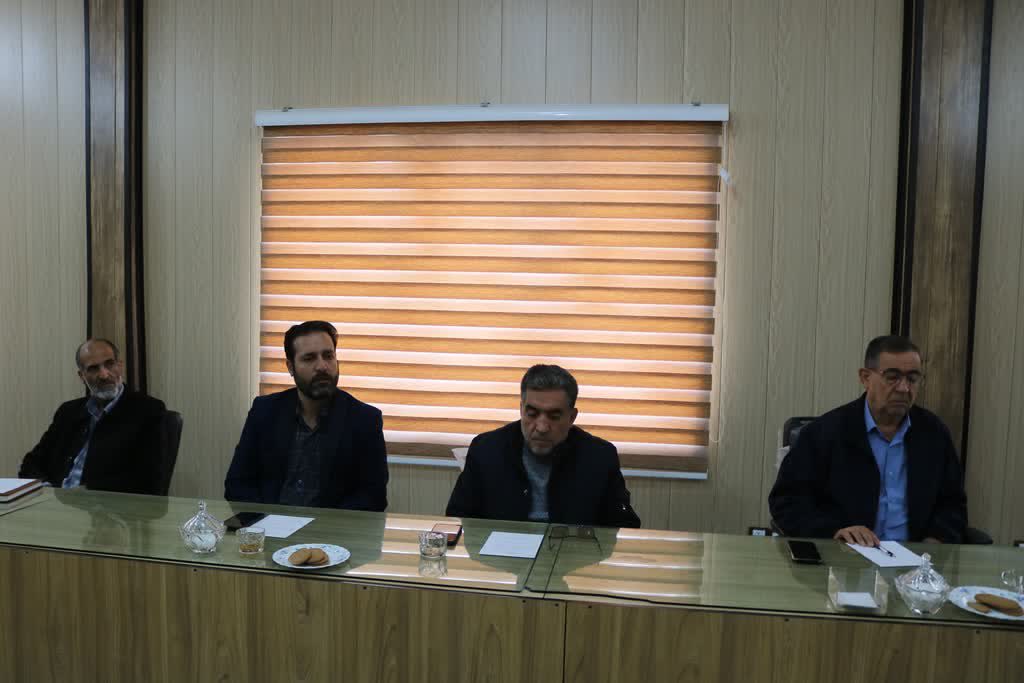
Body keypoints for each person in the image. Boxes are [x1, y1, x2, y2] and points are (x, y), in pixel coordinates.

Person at [768, 335, 967, 545]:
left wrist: (936, 539)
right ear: (865, 378)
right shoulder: (825, 433)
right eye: (892, 377)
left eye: (912, 378)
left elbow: (953, 505)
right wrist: (834, 531)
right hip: (846, 555)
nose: (904, 388)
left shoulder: (933, 433)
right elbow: (786, 502)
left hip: (916, 557)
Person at [446, 364, 641, 528]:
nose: (541, 427)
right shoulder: (486, 449)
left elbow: (623, 525)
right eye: (532, 414)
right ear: (521, 409)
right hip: (500, 556)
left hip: (573, 553)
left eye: (554, 416)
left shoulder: (600, 456)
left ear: (572, 417)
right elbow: (458, 517)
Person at [224, 320, 388, 510]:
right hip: (269, 524)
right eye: (309, 358)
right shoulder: (265, 411)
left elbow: (373, 497)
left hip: (330, 528)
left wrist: (323, 524)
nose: (322, 366)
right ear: (290, 367)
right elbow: (237, 484)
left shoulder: (364, 420)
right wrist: (266, 520)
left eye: (328, 356)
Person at [19, 339, 168, 494]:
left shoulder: (148, 410)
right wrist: (46, 490)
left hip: (105, 505)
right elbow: (31, 463)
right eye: (93, 368)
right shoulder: (68, 412)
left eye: (109, 364)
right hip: (54, 500)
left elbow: (149, 478)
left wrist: (85, 494)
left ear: (120, 366)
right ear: (82, 376)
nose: (104, 375)